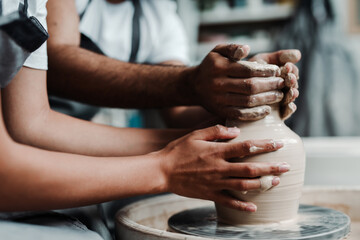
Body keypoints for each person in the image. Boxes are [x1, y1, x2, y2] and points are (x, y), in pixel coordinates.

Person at [0, 0, 297, 239]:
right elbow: (59, 62)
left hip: (55, 150)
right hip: (28, 167)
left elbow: (31, 123)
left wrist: (244, 99)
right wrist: (166, 164)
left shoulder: (157, 11)